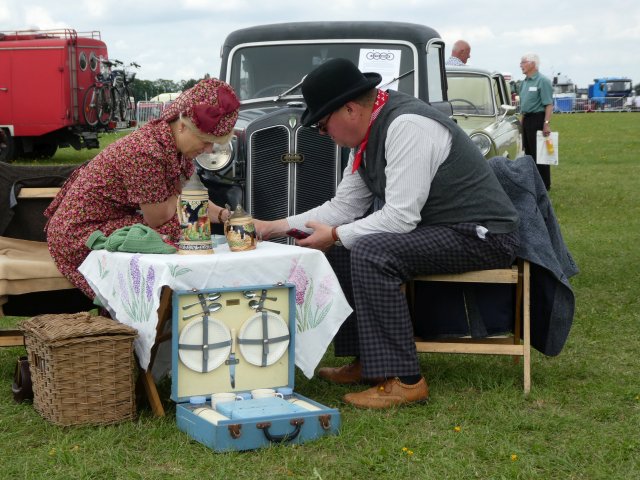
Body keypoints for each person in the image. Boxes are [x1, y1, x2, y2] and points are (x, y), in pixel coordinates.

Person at [253, 58, 520, 409]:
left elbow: (399, 218)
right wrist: (271, 227)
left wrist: (335, 234)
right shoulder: (370, 132)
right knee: (347, 245)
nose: (322, 133)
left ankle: (406, 380)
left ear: (350, 110)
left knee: (370, 251)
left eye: (322, 124)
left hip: (485, 234)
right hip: (446, 228)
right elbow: (343, 208)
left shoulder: (407, 126)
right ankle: (368, 361)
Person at [45, 79, 240, 298]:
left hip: (106, 222)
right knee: (178, 229)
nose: (209, 149)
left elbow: (191, 199)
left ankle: (178, 304)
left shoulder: (174, 147)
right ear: (183, 126)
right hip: (79, 234)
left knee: (189, 223)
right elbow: (158, 217)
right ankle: (171, 305)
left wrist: (228, 217)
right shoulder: (145, 151)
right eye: (205, 141)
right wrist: (182, 201)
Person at [518, 53, 553, 190]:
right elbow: (524, 106)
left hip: (538, 119)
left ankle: (544, 184)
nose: (520, 65)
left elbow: (548, 104)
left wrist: (546, 123)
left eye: (523, 62)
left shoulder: (542, 81)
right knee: (528, 153)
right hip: (527, 120)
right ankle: (533, 182)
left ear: (532, 64)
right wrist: (521, 122)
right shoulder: (524, 83)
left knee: (540, 153)